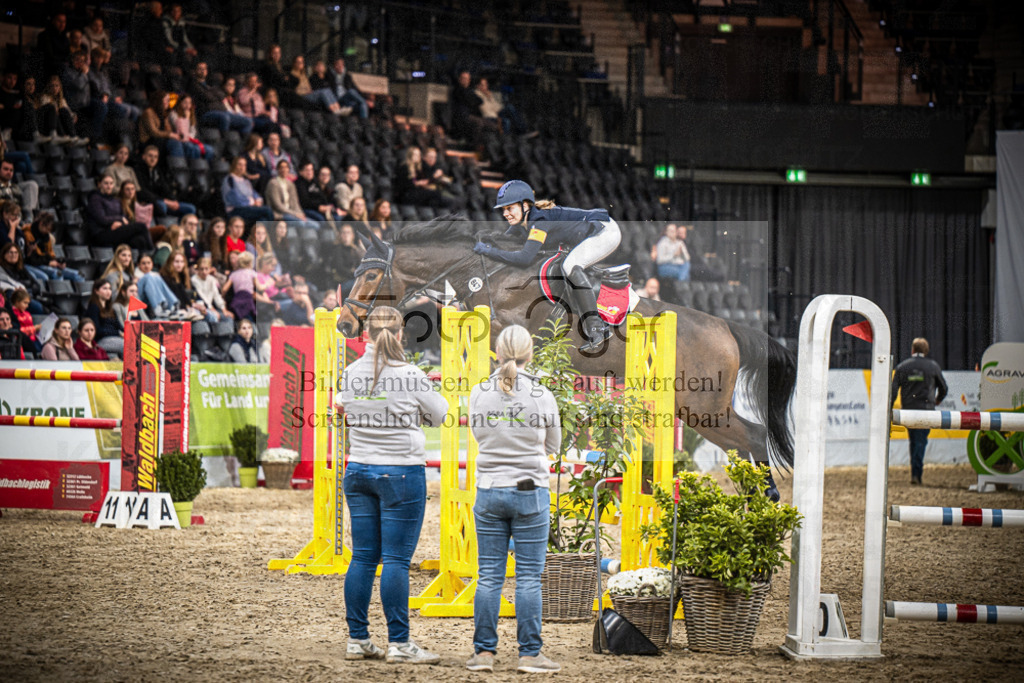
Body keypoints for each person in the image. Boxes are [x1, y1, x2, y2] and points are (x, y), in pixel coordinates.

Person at [335, 306, 447, 664]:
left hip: (359, 469)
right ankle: (399, 642)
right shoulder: (410, 374)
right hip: (400, 472)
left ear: (365, 335)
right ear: (400, 335)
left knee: (363, 557)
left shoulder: (350, 372)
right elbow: (441, 415)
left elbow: (345, 408)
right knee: (397, 560)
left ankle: (358, 638)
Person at [466, 324, 562, 674]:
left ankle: (483, 653)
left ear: (497, 353)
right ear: (530, 354)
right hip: (529, 490)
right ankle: (530, 653)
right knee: (528, 578)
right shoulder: (542, 394)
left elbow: (478, 435)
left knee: (489, 576)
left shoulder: (479, 392)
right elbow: (553, 445)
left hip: (490, 488)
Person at [475, 180, 620, 350]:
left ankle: (596, 327)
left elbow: (524, 258)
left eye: (510, 208)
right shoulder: (522, 223)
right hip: (590, 232)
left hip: (605, 231)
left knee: (570, 266)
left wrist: (488, 251)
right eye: (503, 210)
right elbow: (503, 243)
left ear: (525, 205)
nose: (505, 213)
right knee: (568, 264)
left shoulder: (540, 220)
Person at [890, 338, 948, 485]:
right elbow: (944, 388)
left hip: (908, 411)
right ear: (926, 351)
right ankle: (917, 473)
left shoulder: (902, 367)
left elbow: (893, 391)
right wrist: (938, 400)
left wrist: (889, 408)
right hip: (926, 410)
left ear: (912, 350)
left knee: (914, 441)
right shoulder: (932, 366)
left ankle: (915, 472)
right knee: (920, 442)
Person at [85, 175, 154, 251]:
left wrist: (120, 222)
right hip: (102, 233)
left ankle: (144, 260)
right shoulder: (95, 199)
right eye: (106, 183)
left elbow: (125, 217)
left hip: (116, 230)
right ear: (99, 184)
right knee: (141, 226)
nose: (109, 186)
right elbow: (102, 219)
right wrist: (119, 219)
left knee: (139, 240)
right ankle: (152, 251)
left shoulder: (116, 200)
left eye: (111, 183)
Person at [221, 156, 274, 224]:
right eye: (239, 164)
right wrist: (252, 202)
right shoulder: (229, 180)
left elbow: (254, 193)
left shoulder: (246, 181)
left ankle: (265, 234)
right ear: (234, 165)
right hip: (236, 210)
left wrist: (258, 200)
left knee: (263, 220)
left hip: (249, 208)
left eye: (244, 165)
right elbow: (234, 199)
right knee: (267, 210)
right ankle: (273, 234)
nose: (242, 167)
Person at [266, 160, 317, 229]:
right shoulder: (273, 183)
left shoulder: (290, 184)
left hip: (292, 213)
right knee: (301, 223)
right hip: (280, 214)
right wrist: (295, 214)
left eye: (286, 167)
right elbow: (278, 205)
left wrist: (301, 214)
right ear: (277, 169)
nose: (284, 169)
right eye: (281, 167)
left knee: (315, 225)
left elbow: (295, 203)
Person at [85, 279, 124, 357]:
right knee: (128, 346)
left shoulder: (111, 309)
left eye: (109, 289)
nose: (108, 291)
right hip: (101, 340)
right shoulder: (94, 307)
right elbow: (97, 330)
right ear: (96, 291)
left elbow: (119, 326)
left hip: (114, 339)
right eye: (105, 288)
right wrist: (118, 333)